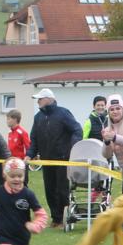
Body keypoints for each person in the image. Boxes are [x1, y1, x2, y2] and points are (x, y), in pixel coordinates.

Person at [29, 89, 78, 229]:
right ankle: (56, 219)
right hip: (46, 160)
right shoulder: (38, 117)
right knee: (49, 190)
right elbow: (34, 139)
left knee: (62, 190)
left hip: (62, 159)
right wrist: (30, 154)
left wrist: (73, 147)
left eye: (40, 99)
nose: (38, 101)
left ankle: (65, 217)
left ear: (49, 99)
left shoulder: (63, 113)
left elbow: (76, 130)